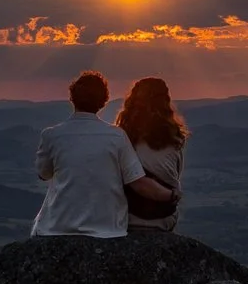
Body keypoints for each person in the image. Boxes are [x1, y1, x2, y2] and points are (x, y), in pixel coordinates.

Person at [30, 70, 175, 238]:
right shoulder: (117, 136)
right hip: (108, 228)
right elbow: (138, 182)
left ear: (72, 98)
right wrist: (171, 195)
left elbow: (43, 174)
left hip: (58, 226)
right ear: (103, 102)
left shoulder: (51, 135)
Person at [116, 76, 188, 233]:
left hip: (127, 218)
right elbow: (175, 176)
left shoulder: (121, 137)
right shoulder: (175, 139)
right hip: (164, 218)